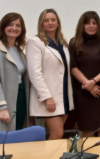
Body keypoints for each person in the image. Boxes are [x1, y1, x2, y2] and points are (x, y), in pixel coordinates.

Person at [27, 9, 74, 140]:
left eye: (53, 20)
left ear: (58, 23)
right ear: (41, 24)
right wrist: (47, 97)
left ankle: (53, 158)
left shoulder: (63, 43)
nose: (50, 23)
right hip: (48, 97)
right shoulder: (35, 42)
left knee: (58, 134)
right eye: (46, 20)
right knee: (57, 133)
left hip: (63, 96)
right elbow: (35, 73)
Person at [0, 13, 32, 131]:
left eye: (18, 25)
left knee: (18, 130)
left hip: (20, 96)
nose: (14, 28)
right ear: (3, 27)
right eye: (10, 24)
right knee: (4, 135)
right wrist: (2, 107)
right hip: (3, 100)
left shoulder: (18, 50)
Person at [69, 11, 100, 138]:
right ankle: (88, 156)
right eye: (87, 23)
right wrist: (88, 84)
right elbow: (73, 67)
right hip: (82, 91)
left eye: (94, 23)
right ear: (82, 25)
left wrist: (93, 82)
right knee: (86, 128)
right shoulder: (74, 42)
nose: (91, 26)